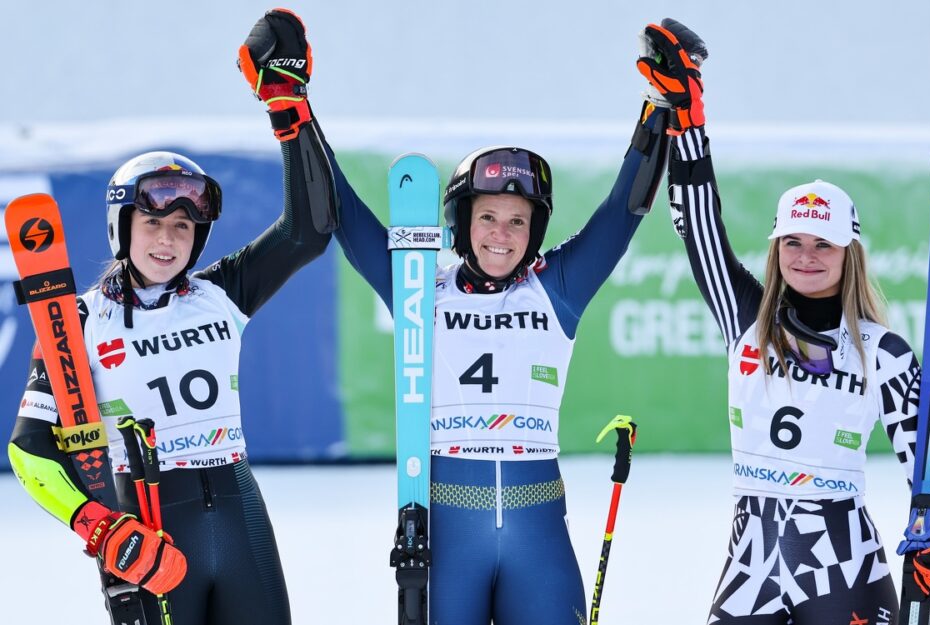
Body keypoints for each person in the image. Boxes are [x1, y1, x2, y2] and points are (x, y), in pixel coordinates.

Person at [234, 9, 688, 625]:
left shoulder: (557, 288)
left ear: (535, 230)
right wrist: (292, 109)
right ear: (460, 223)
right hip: (449, 539)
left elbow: (624, 211)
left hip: (538, 538)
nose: (502, 235)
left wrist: (659, 107)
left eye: (518, 221)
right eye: (488, 218)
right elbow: (339, 209)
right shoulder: (420, 287)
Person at [642, 19, 930, 624]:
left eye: (822, 244)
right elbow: (698, 227)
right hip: (751, 560)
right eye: (792, 242)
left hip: (844, 564)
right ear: (775, 249)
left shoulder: (882, 350)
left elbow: (924, 462)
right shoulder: (746, 317)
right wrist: (688, 125)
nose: (805, 256)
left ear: (848, 252)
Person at [7, 13, 337, 621]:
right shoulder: (76, 320)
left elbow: (309, 230)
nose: (168, 240)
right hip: (148, 527)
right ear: (121, 228)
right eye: (152, 223)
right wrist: (100, 527)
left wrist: (289, 107)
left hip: (239, 510)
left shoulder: (223, 293)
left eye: (183, 226)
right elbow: (29, 452)